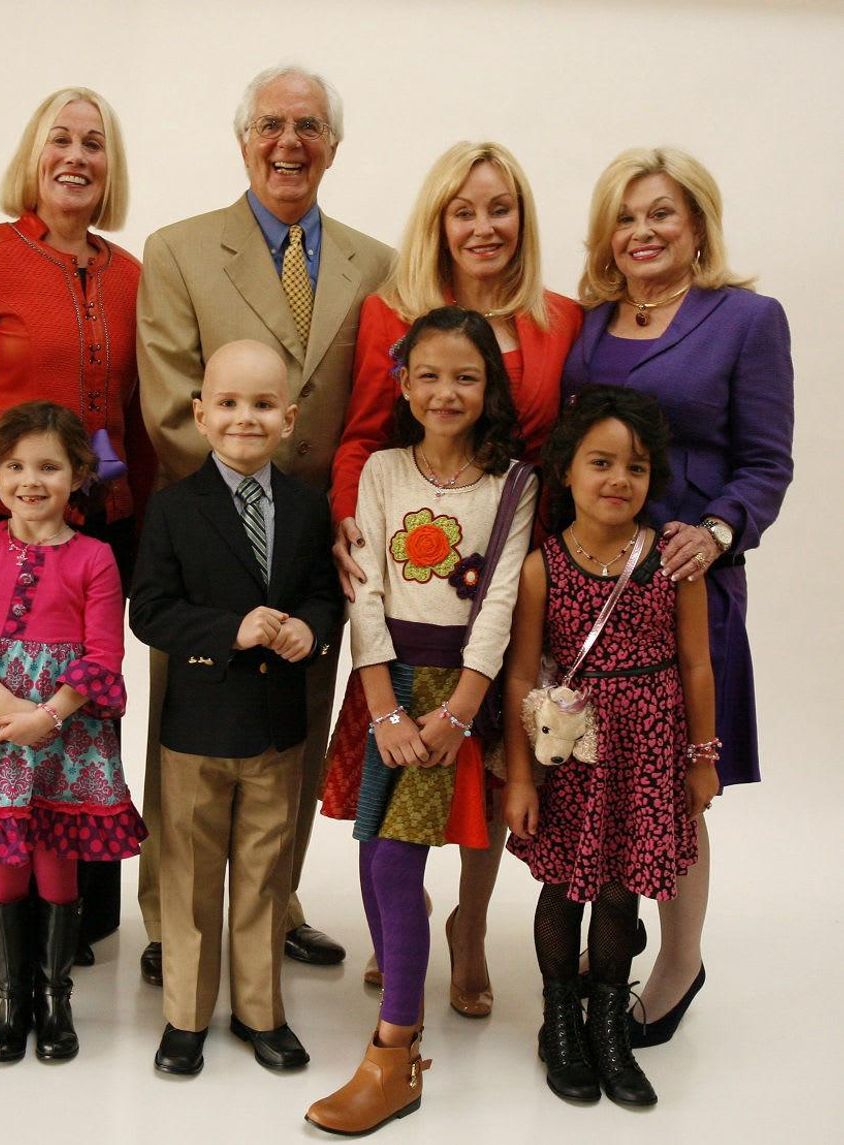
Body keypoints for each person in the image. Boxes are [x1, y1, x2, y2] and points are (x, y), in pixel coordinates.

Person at [136, 65, 393, 984]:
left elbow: (375, 407)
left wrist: (335, 517)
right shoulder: (178, 250)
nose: (290, 142)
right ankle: (172, 919)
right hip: (208, 536)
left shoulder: (377, 264)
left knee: (295, 729)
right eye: (272, 125)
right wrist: (248, 496)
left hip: (315, 546)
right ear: (244, 139)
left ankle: (273, 901)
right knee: (187, 730)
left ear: (334, 145)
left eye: (310, 127)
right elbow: (168, 401)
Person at [326, 141, 582, 1014]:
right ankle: (402, 917)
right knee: (396, 773)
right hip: (409, 556)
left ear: (523, 218)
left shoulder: (559, 317)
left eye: (499, 208)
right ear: (438, 221)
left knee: (492, 762)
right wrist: (351, 530)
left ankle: (469, 926)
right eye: (463, 210)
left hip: (516, 551)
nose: (482, 226)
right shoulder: (391, 312)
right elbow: (364, 434)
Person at [0, 86, 153, 974]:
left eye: (94, 142)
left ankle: (67, 936)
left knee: (78, 720)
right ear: (34, 155)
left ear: (111, 165)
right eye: (61, 139)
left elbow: (132, 414)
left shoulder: (130, 275)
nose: (77, 156)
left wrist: (146, 523)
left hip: (99, 537)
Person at [562, 147, 794, 1044]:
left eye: (661, 213)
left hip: (686, 587)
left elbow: (766, 462)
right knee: (600, 776)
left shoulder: (746, 319)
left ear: (697, 223)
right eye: (625, 217)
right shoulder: (588, 324)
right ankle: (609, 940)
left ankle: (678, 961)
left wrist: (720, 530)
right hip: (591, 590)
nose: (643, 231)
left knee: (675, 783)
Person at [306, 308, 537, 1135]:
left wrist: (461, 711)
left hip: (456, 693)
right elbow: (364, 586)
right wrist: (383, 705)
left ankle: (394, 1053)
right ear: (403, 385)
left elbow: (501, 600)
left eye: (466, 377)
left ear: (490, 388)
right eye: (429, 375)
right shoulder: (380, 469)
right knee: (375, 853)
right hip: (387, 683)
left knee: (397, 863)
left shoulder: (514, 482)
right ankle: (406, 975)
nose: (446, 392)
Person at [129, 341, 343, 1076]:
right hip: (197, 728)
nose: (244, 418)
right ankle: (186, 1016)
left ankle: (260, 1012)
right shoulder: (173, 508)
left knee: (264, 876)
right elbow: (149, 612)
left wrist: (311, 628)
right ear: (200, 415)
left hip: (278, 728)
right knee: (190, 877)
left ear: (289, 418)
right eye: (227, 403)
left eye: (262, 405)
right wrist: (231, 629)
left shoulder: (308, 507)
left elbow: (323, 594)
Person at [504, 386, 718, 1107]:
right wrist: (521, 779)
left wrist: (703, 758)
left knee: (623, 892)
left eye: (636, 467)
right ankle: (560, 1021)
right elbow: (521, 677)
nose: (619, 479)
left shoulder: (671, 563)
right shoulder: (542, 567)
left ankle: (607, 1026)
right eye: (601, 462)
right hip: (576, 754)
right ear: (566, 470)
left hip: (648, 754)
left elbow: (696, 664)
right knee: (565, 890)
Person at [0, 402, 147, 1063]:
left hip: (69, 734)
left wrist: (47, 716)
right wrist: (6, 710)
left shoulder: (96, 557)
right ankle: (11, 999)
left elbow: (103, 654)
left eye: (49, 467)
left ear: (78, 474)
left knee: (57, 860)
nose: (30, 481)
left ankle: (56, 997)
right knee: (5, 863)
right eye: (15, 466)